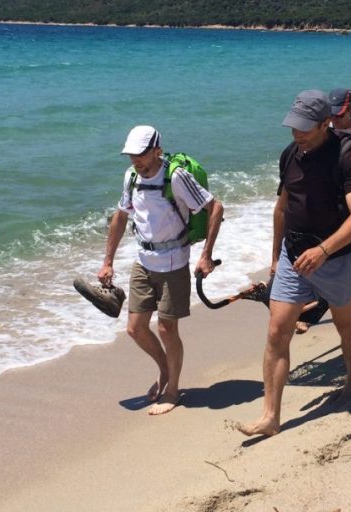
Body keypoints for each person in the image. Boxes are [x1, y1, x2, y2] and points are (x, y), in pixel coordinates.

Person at [238, 90, 351, 437]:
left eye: (304, 127)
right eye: (292, 126)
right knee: (276, 331)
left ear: (325, 122)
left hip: (336, 257)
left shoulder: (348, 155)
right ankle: (270, 416)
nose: (296, 133)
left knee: (346, 325)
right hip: (293, 255)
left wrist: (324, 251)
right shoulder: (290, 155)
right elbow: (282, 208)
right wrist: (274, 258)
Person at [98, 125, 224, 415]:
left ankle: (173, 390)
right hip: (143, 261)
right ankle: (165, 370)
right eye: (132, 156)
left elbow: (215, 207)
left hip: (174, 263)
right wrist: (107, 261)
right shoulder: (131, 177)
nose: (136, 162)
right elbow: (120, 217)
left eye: (141, 155)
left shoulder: (176, 177)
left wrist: (206, 255)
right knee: (135, 328)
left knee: (167, 329)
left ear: (157, 150)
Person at [293, 87, 351, 335]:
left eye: (340, 115)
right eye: (333, 116)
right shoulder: (308, 145)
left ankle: (316, 308)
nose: (336, 121)